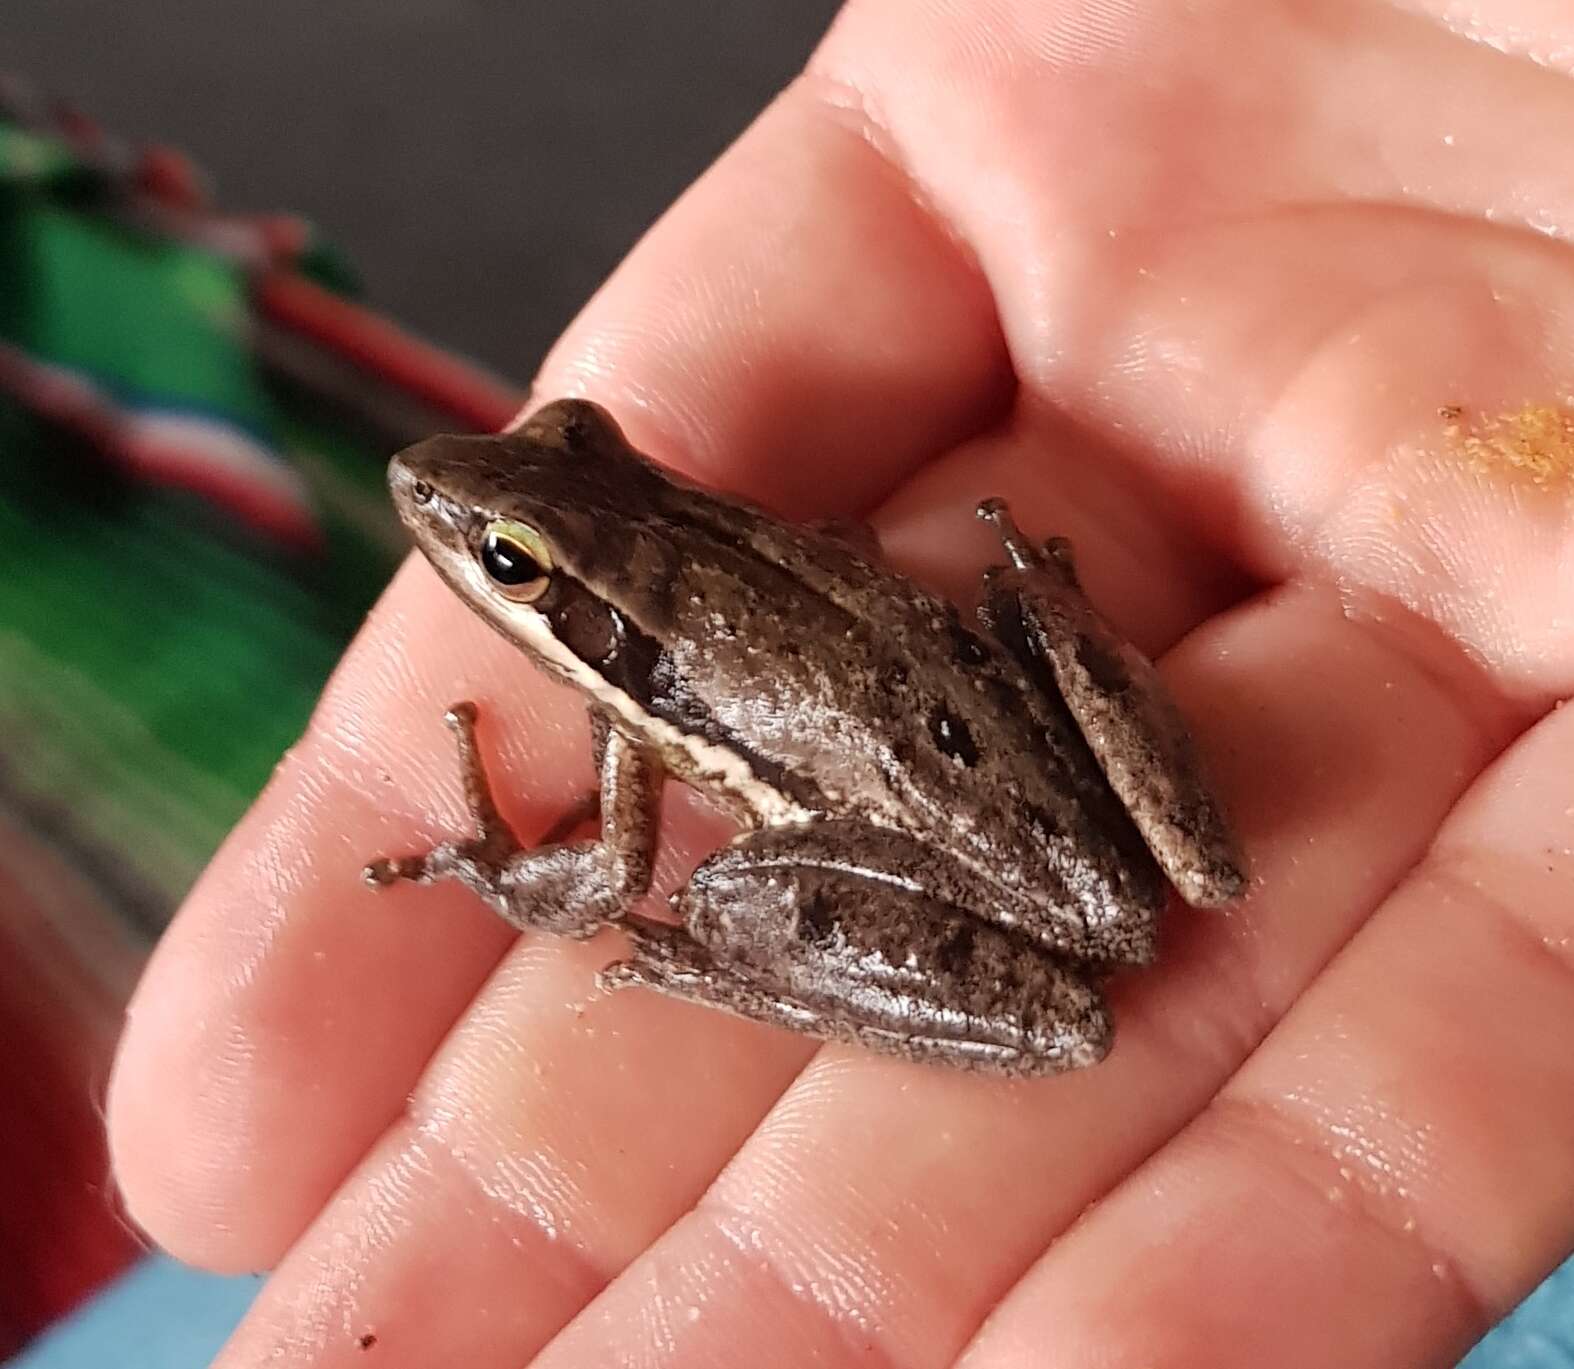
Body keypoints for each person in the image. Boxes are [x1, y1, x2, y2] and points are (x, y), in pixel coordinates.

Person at [106, 1, 1574, 1363]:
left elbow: (601, 874)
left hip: (963, 849)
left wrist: (506, 870)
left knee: (725, 897)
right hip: (1007, 782)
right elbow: (843, 549)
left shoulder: (638, 711)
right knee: (1027, 637)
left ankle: (763, 932)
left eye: (509, 555)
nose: (447, 514)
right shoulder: (724, 554)